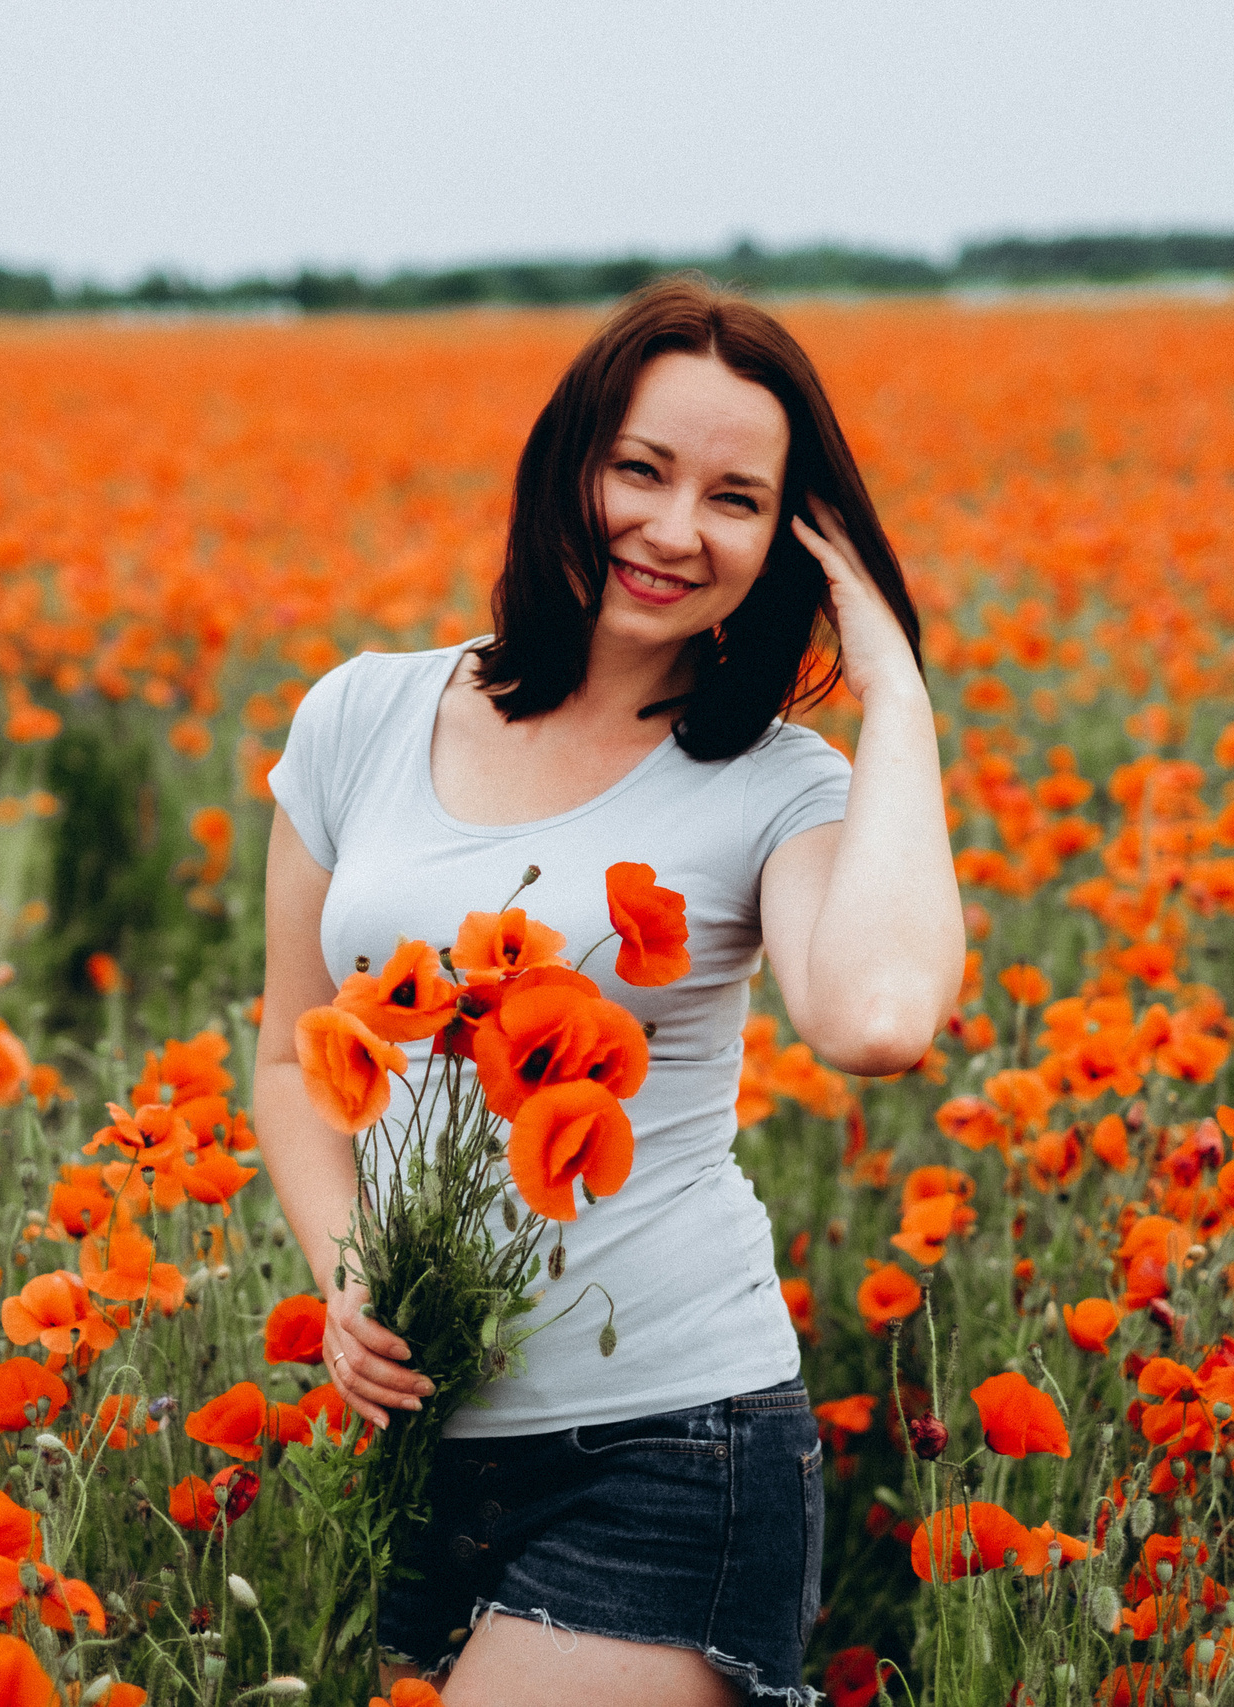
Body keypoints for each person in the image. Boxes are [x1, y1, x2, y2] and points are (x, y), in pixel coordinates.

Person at [255, 276, 962, 1707]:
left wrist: (895, 689)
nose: (673, 529)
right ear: (567, 466)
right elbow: (289, 1055)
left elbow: (878, 1021)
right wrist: (347, 1283)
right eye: (640, 469)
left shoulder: (777, 786)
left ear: (787, 545)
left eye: (735, 498)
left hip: (672, 1447)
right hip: (421, 1444)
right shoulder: (359, 717)